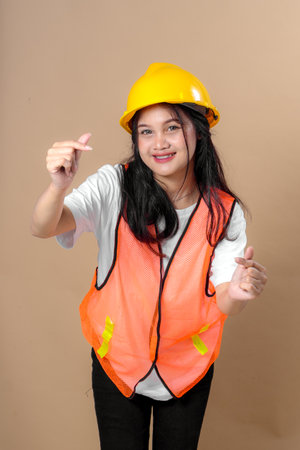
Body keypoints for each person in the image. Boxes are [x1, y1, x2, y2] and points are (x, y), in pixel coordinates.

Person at [31, 63, 267, 450]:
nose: (159, 142)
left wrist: (238, 294)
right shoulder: (114, 185)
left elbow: (226, 296)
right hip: (117, 360)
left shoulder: (225, 211)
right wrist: (58, 187)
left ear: (199, 130)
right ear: (136, 139)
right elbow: (45, 226)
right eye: (146, 131)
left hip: (187, 366)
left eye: (172, 127)